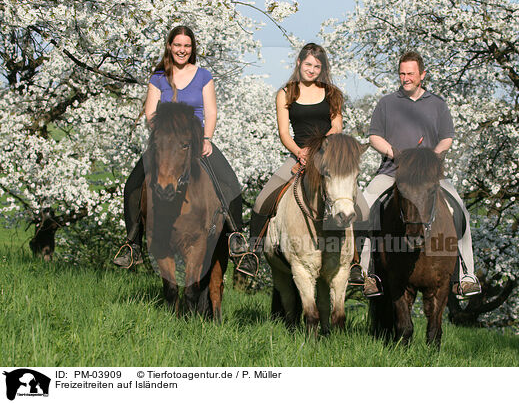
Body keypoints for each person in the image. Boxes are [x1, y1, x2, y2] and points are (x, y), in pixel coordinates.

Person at [351, 51, 481, 299]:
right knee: (366, 209)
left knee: (460, 211)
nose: (406, 78)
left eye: (410, 73)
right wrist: (395, 154)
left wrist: (432, 156)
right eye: (402, 73)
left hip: (430, 175)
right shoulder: (386, 103)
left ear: (422, 74)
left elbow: (447, 138)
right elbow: (374, 137)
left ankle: (466, 275)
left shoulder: (438, 104)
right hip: (393, 172)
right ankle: (366, 272)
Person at [114, 26, 243, 270]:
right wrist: (165, 132)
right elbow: (151, 112)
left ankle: (236, 235)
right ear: (170, 47)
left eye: (187, 46)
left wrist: (206, 138)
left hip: (195, 140)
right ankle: (132, 243)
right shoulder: (158, 77)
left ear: (192, 49)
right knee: (133, 183)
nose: (182, 50)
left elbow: (211, 110)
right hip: (165, 142)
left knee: (228, 181)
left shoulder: (203, 75)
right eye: (177, 45)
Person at [249, 43, 369, 251]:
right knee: (261, 201)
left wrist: (320, 149)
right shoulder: (285, 93)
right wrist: (300, 152)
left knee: (364, 211)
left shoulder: (333, 93)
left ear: (323, 69)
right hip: (299, 156)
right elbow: (284, 133)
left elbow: (337, 125)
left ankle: (356, 262)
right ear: (299, 63)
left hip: (328, 157)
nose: (312, 70)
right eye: (308, 64)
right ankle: (252, 254)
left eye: (317, 66)